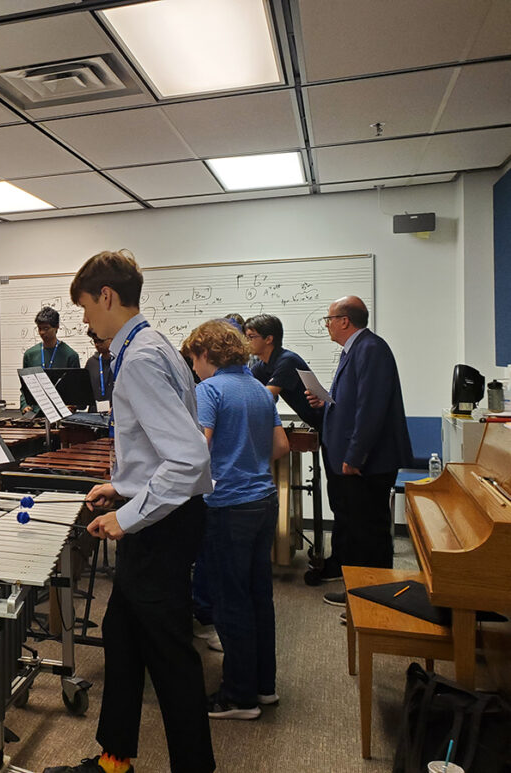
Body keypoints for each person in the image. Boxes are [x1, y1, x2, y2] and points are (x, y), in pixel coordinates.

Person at [45, 251, 215, 773]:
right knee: (121, 635)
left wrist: (128, 515)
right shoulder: (153, 344)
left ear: (107, 297)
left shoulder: (138, 359)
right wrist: (120, 487)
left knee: (170, 659)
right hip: (162, 516)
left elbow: (189, 459)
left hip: (162, 526)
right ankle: (114, 760)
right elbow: (159, 450)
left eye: (85, 308)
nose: (84, 320)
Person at [181, 320, 289, 721]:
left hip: (228, 507)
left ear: (207, 354)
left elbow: (198, 447)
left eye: (193, 358)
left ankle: (239, 697)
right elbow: (279, 446)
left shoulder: (209, 390)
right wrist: (248, 461)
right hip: (263, 502)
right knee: (258, 596)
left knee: (230, 602)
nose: (193, 367)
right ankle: (264, 687)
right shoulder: (259, 390)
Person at [305, 296, 412, 606]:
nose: (326, 325)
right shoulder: (355, 350)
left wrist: (354, 456)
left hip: (368, 463)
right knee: (357, 528)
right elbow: (355, 402)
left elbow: (371, 409)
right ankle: (361, 592)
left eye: (328, 319)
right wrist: (327, 402)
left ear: (344, 321)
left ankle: (373, 599)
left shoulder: (371, 349)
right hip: (357, 458)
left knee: (370, 532)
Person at [244, 314, 323, 431]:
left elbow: (265, 397)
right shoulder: (261, 366)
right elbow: (246, 391)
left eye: (251, 337)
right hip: (314, 422)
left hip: (328, 421)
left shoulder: (287, 361)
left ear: (268, 339)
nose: (246, 342)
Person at [20, 306, 80, 413]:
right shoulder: (30, 355)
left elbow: (75, 390)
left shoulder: (70, 355)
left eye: (46, 328)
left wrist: (71, 405)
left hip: (61, 412)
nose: (42, 332)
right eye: (39, 328)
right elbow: (25, 387)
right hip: (36, 412)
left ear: (56, 327)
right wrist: (24, 405)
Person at [83, 328, 114, 410]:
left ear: (111, 339)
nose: (97, 344)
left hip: (115, 412)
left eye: (101, 341)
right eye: (95, 341)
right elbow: (85, 391)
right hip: (94, 413)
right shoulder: (91, 362)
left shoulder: (120, 361)